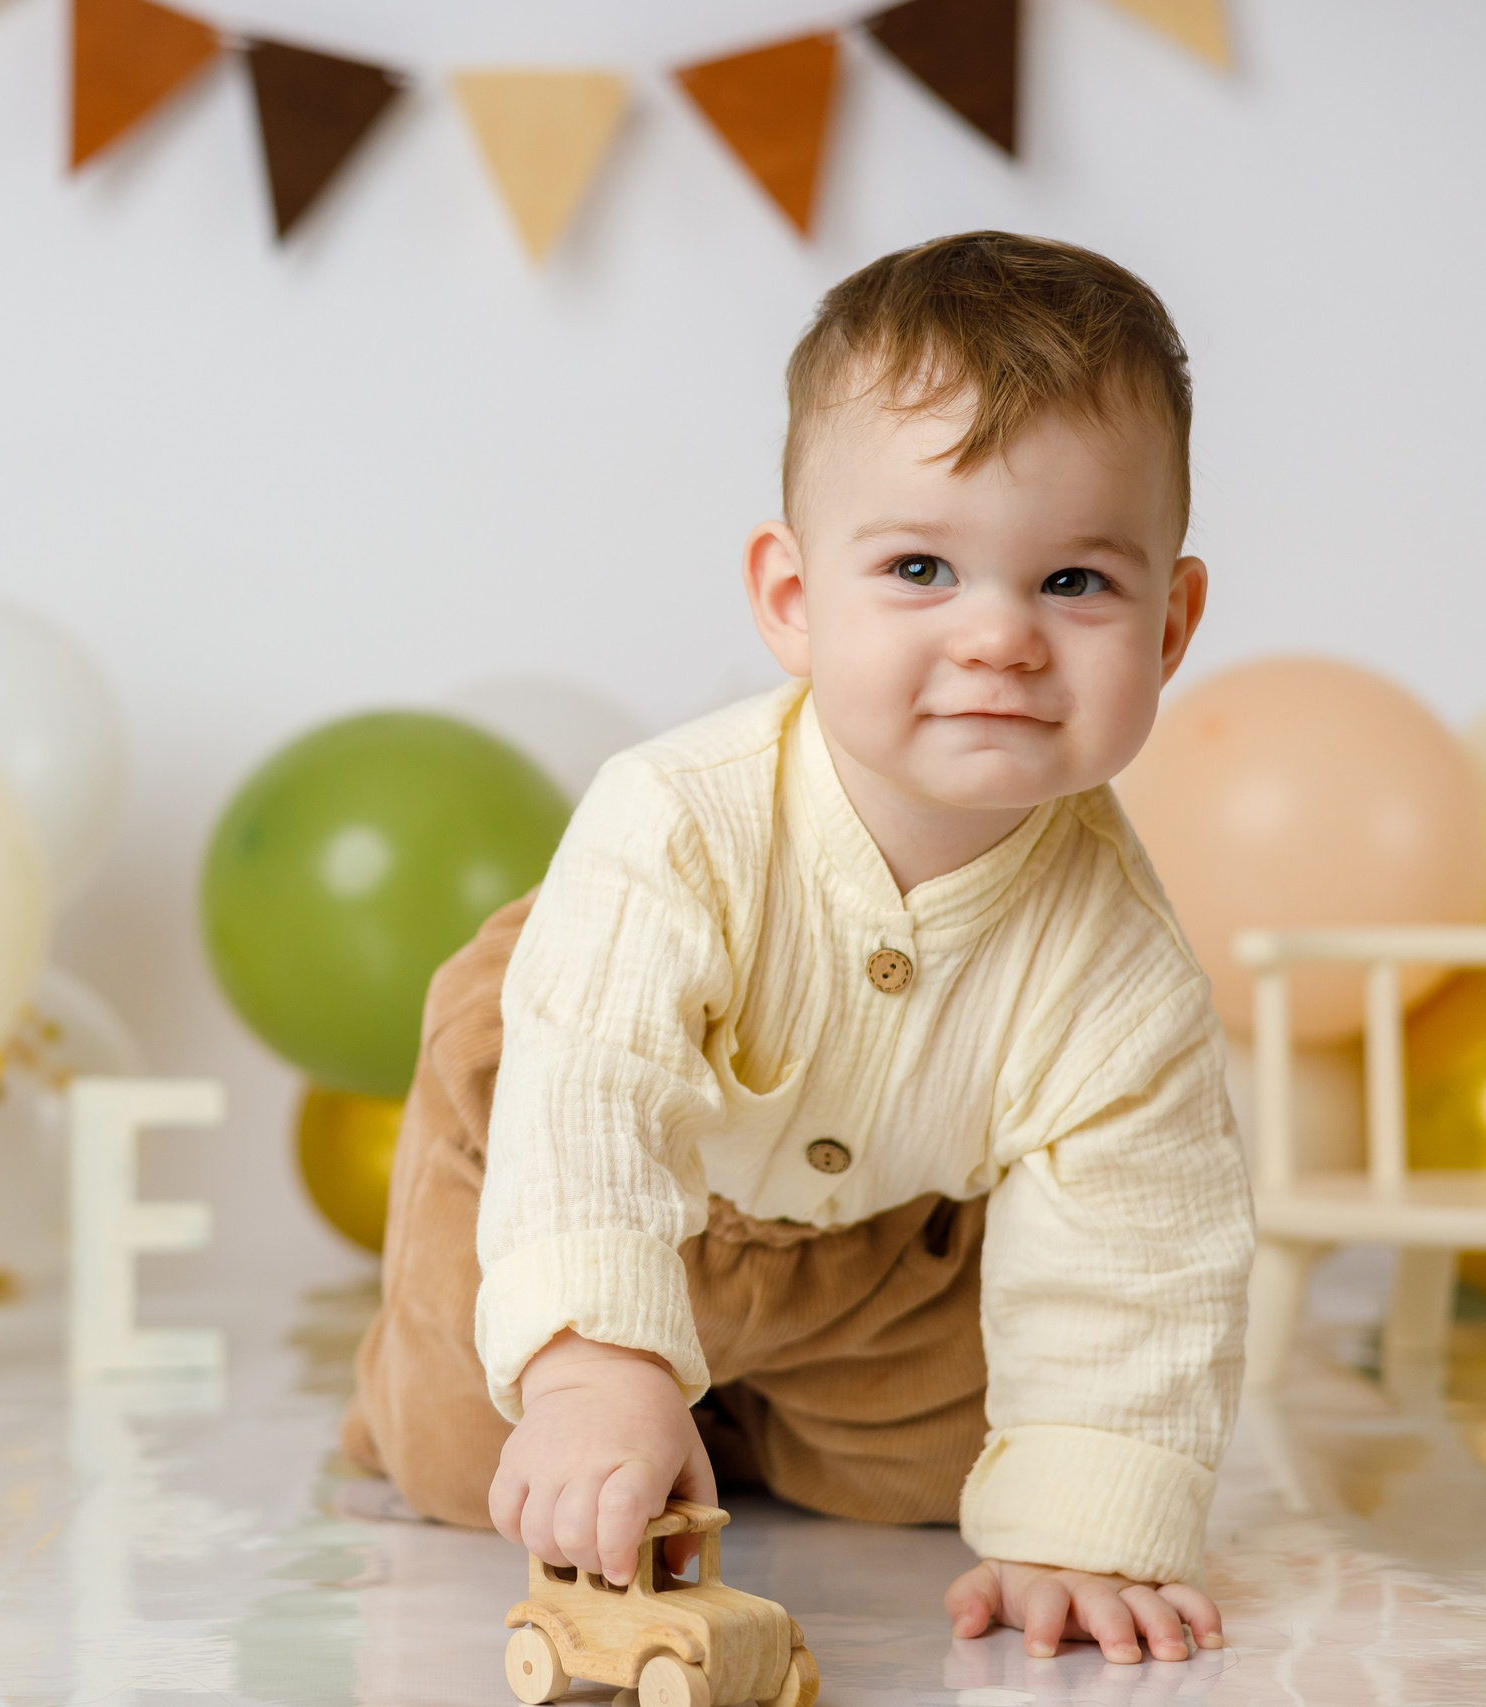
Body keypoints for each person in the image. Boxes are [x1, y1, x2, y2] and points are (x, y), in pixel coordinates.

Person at [342, 231, 1252, 1666]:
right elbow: (592, 1099)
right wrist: (591, 1369)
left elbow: (1138, 1249)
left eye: (1076, 583)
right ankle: (565, 1367)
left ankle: (739, 1407)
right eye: (920, 567)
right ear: (791, 600)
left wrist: (1083, 1525)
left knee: (940, 1485)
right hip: (563, 1120)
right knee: (475, 1464)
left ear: (1174, 623)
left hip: (881, 1245)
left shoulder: (1121, 968)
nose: (1002, 636)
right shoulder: (676, 822)